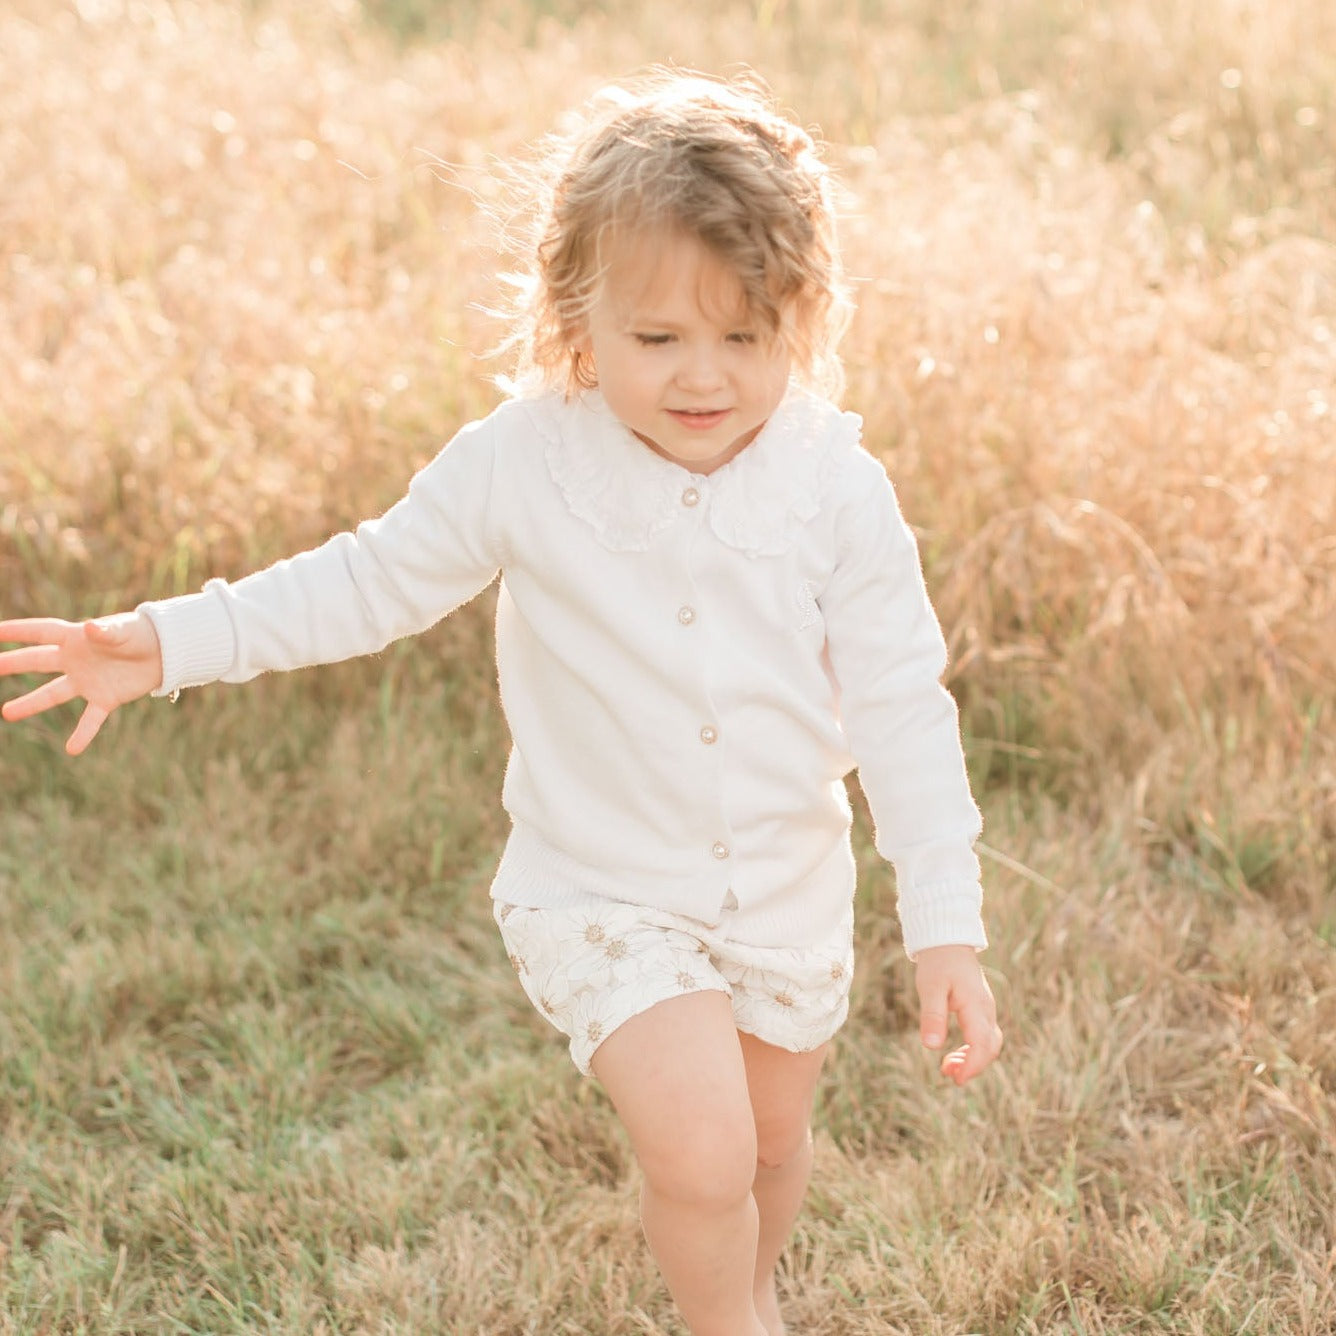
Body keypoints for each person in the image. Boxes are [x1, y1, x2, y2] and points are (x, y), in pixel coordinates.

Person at [0, 69, 1002, 1336]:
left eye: (743, 336)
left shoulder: (834, 487)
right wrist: (167, 643)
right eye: (658, 339)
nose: (704, 377)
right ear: (577, 317)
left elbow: (904, 706)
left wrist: (944, 928)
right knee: (700, 1153)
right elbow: (362, 581)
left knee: (764, 1145)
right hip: (601, 892)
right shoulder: (524, 464)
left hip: (785, 895)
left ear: (801, 319)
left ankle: (750, 1294)